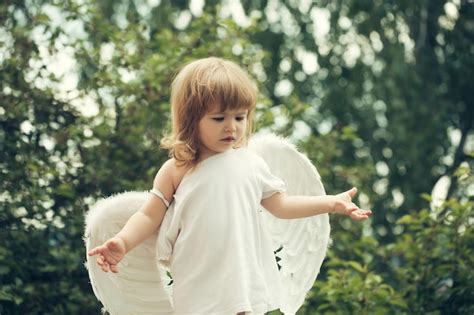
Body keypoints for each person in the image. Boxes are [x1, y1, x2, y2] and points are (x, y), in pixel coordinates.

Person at [88, 57, 372, 314]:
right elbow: (149, 215)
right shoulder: (178, 168)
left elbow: (282, 206)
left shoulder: (251, 163)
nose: (232, 127)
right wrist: (123, 242)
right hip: (197, 275)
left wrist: (331, 202)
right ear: (191, 118)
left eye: (240, 117)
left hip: (240, 272)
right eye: (219, 118)